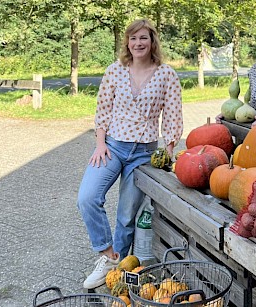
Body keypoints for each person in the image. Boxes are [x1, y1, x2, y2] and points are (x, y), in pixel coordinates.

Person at [77, 19, 183, 289]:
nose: (138, 43)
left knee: (126, 217)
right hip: (112, 146)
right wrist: (100, 143)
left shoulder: (166, 74)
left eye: (144, 38)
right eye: (134, 38)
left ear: (152, 42)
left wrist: (168, 151)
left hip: (143, 154)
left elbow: (172, 117)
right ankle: (108, 256)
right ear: (127, 42)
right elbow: (102, 110)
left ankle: (118, 278)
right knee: (88, 197)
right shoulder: (114, 71)